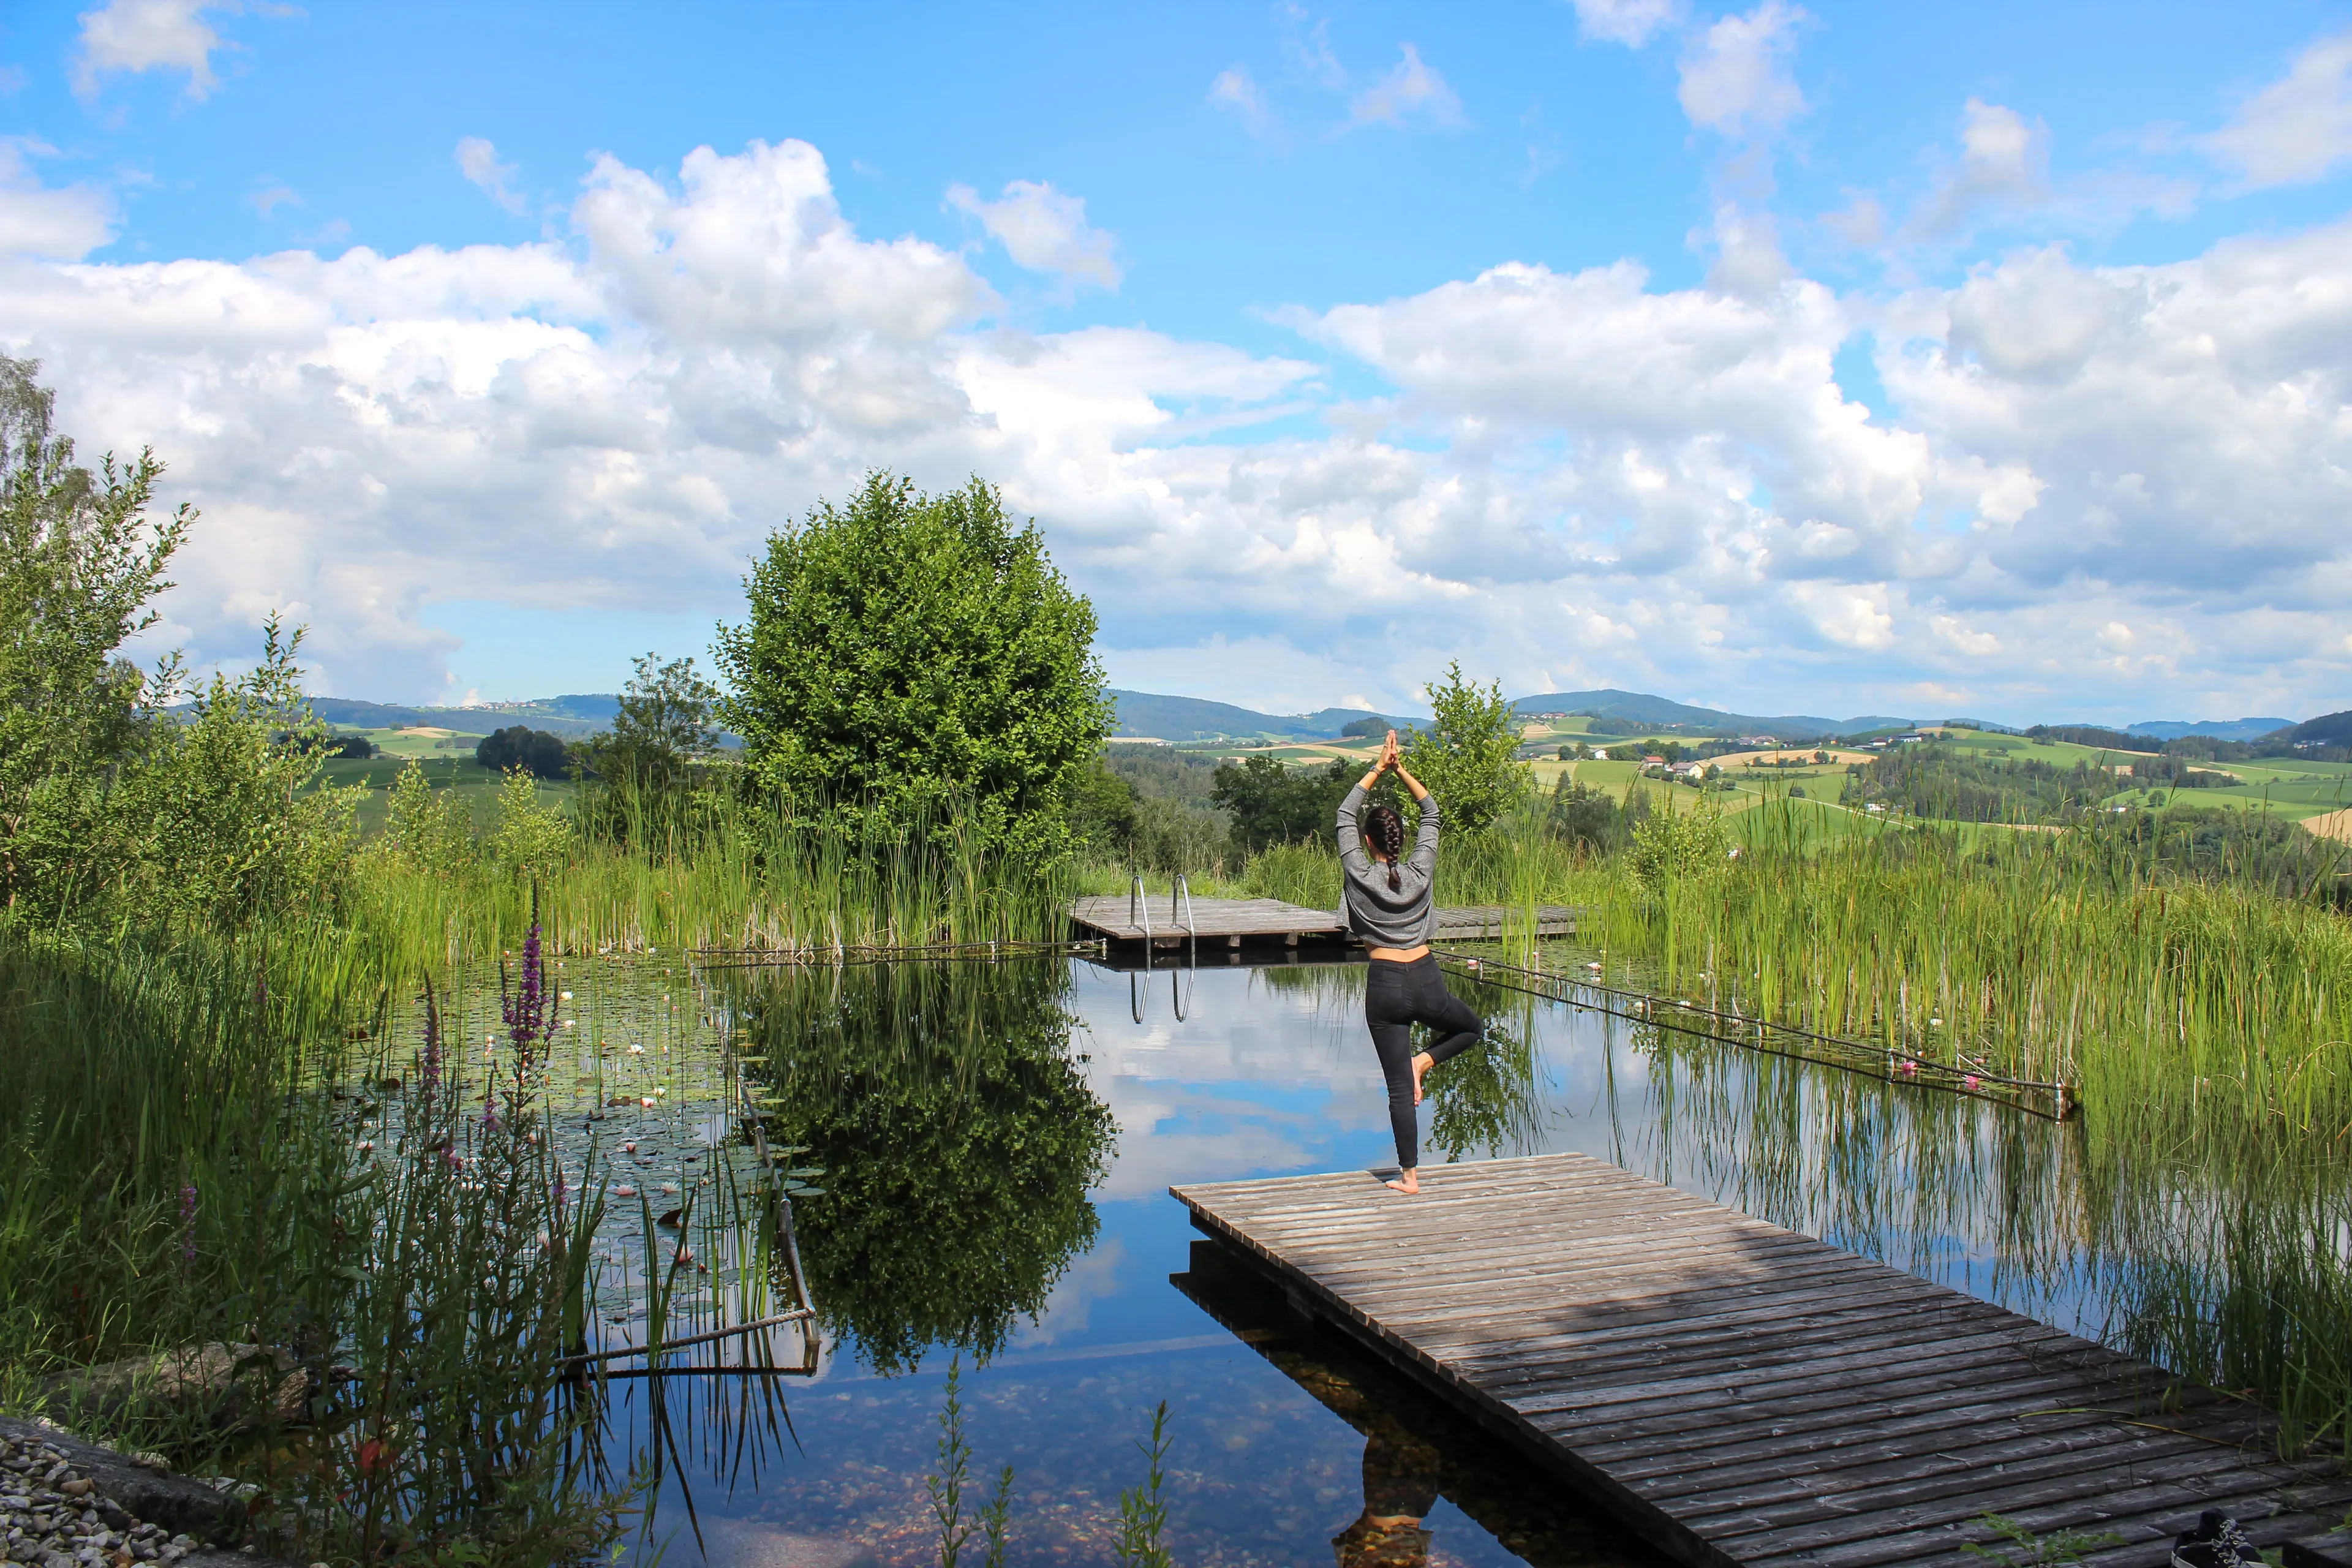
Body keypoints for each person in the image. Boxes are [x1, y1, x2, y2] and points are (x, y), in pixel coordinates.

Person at [1336, 730, 1482, 1195]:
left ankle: (1410, 1178)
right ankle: (1427, 1060)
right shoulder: (1420, 869)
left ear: (1366, 841)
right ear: (1399, 840)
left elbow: (1344, 812)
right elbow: (1432, 812)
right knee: (1471, 1028)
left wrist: (1378, 768)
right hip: (1425, 978)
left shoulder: (1359, 872)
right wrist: (1401, 770)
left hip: (1384, 984)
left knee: (1399, 1087)